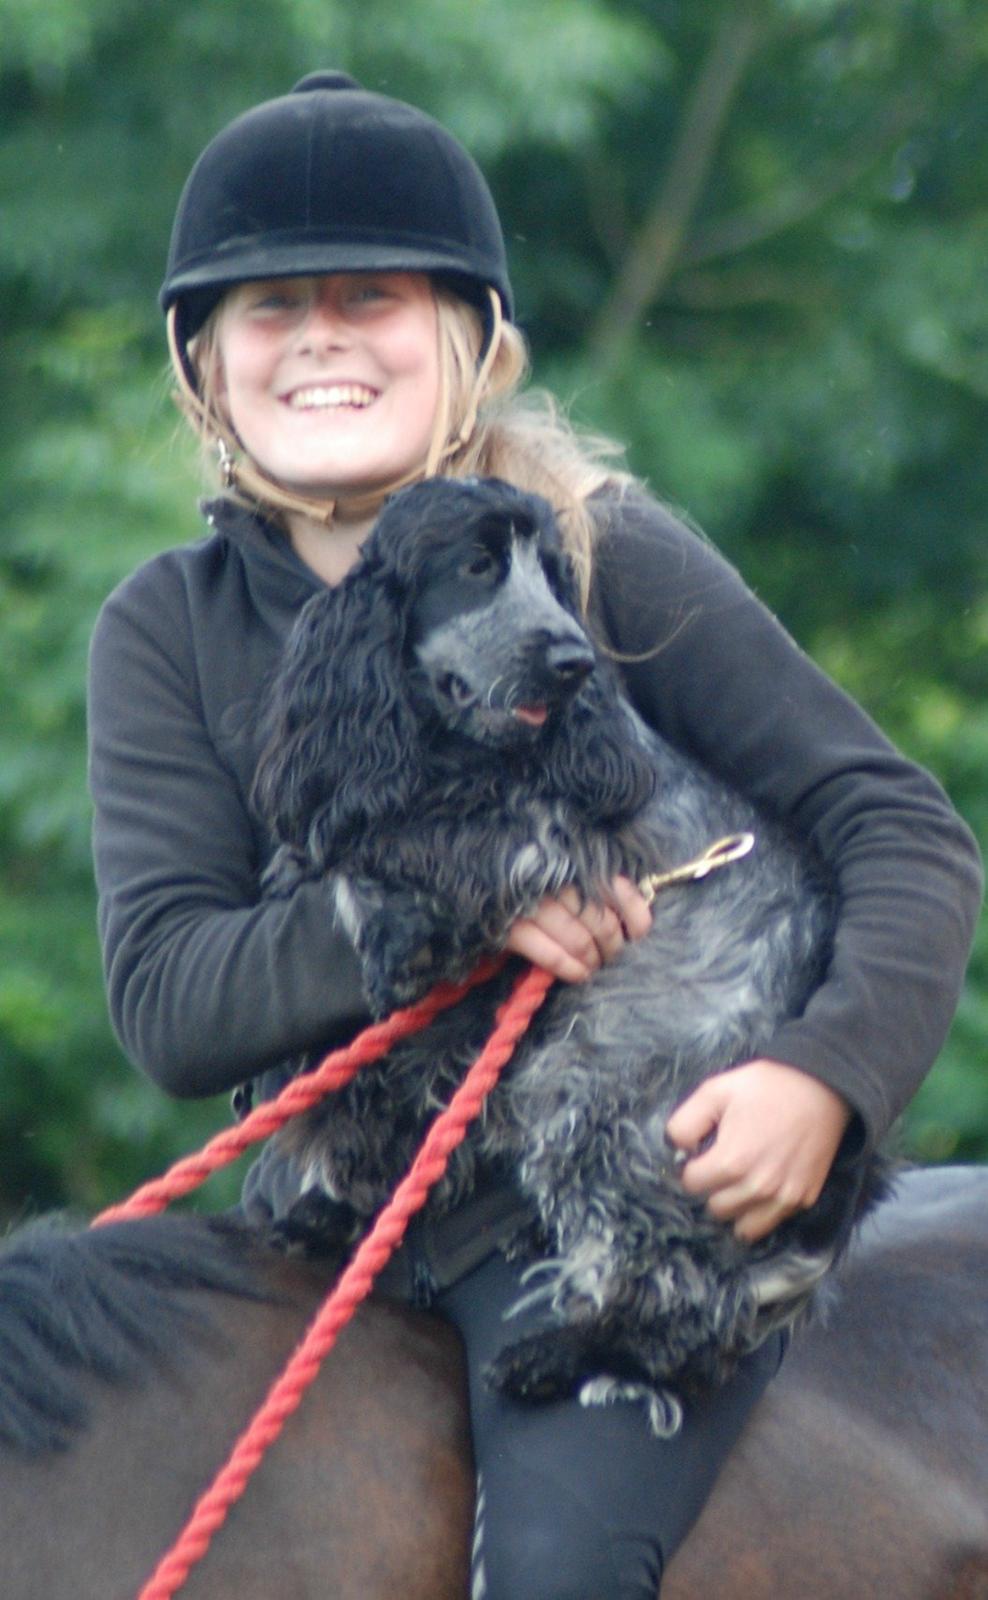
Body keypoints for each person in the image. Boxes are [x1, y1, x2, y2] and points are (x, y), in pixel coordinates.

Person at [87, 71, 982, 1599]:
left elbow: (899, 827)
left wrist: (824, 1080)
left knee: (560, 1580)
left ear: (474, 343)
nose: (317, 335)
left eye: (369, 296)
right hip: (322, 1217)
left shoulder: (598, 552)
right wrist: (433, 906)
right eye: (267, 306)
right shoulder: (164, 628)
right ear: (202, 363)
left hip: (595, 1219)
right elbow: (172, 1000)